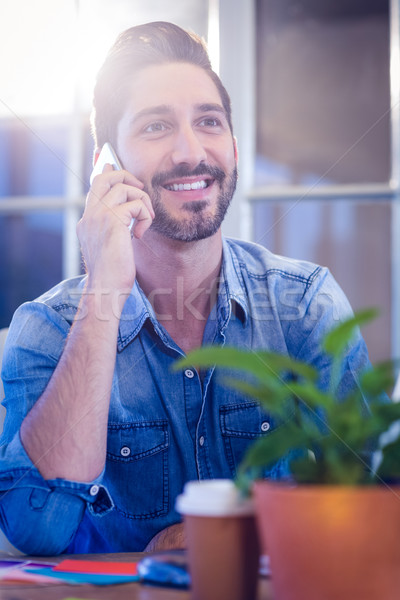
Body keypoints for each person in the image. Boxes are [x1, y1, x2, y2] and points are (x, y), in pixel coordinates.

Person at [0, 21, 371, 556]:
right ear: (109, 165)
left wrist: (215, 534)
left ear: (234, 148)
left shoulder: (305, 306)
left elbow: (374, 499)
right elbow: (39, 529)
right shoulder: (46, 328)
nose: (190, 151)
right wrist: (106, 284)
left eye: (209, 122)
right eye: (156, 127)